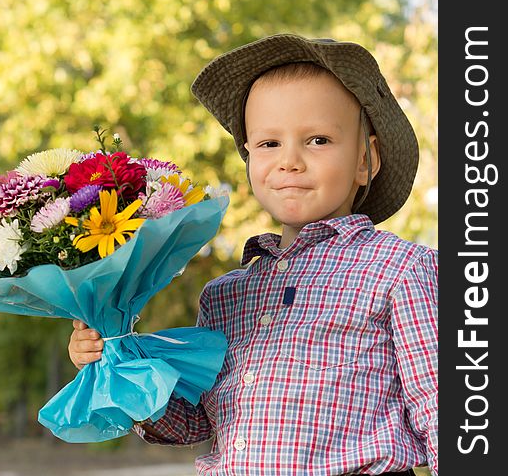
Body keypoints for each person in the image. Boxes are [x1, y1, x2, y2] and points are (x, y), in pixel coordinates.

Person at [69, 34, 437, 476]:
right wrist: (115, 356)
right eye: (268, 144)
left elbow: (439, 411)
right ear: (248, 158)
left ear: (366, 160)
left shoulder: (399, 270)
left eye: (318, 140)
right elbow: (198, 422)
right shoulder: (225, 295)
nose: (290, 161)